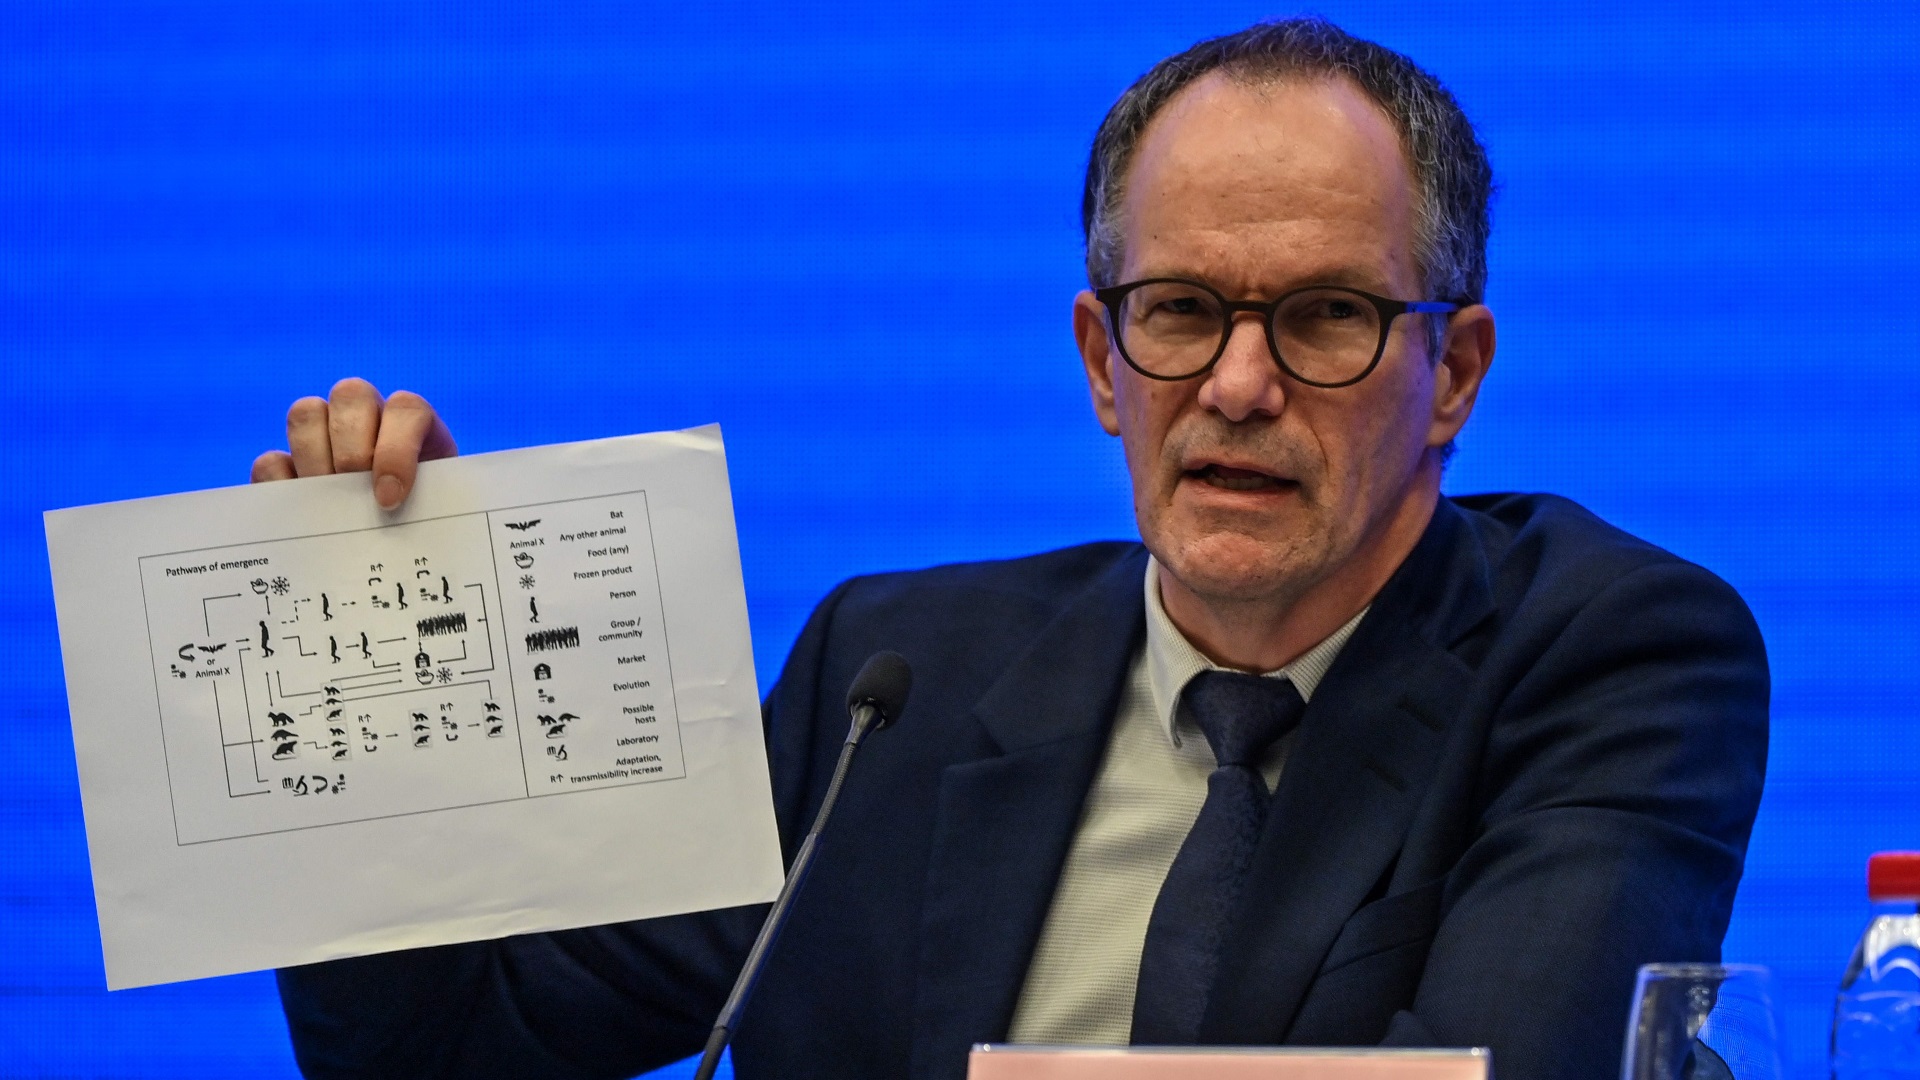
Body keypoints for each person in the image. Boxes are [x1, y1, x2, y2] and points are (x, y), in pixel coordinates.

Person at [266, 17, 1767, 1080]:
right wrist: (389, 675)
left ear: (1453, 375)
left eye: (1325, 317)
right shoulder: (893, 682)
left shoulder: (1610, 657)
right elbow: (454, 1048)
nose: (1238, 385)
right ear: (1104, 363)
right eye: (1180, 312)